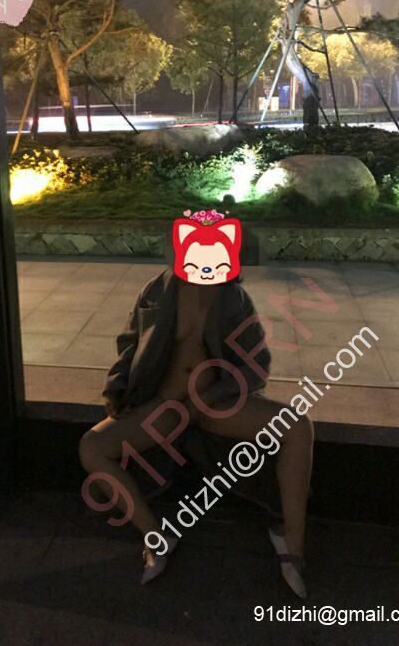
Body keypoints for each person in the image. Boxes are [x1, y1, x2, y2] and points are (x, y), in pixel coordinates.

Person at [78, 216, 313, 597]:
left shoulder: (233, 298)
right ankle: (156, 538)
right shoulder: (156, 291)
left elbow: (256, 365)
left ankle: (292, 543)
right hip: (164, 405)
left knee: (298, 426)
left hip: (215, 405)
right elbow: (129, 344)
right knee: (92, 446)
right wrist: (116, 390)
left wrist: (214, 395)